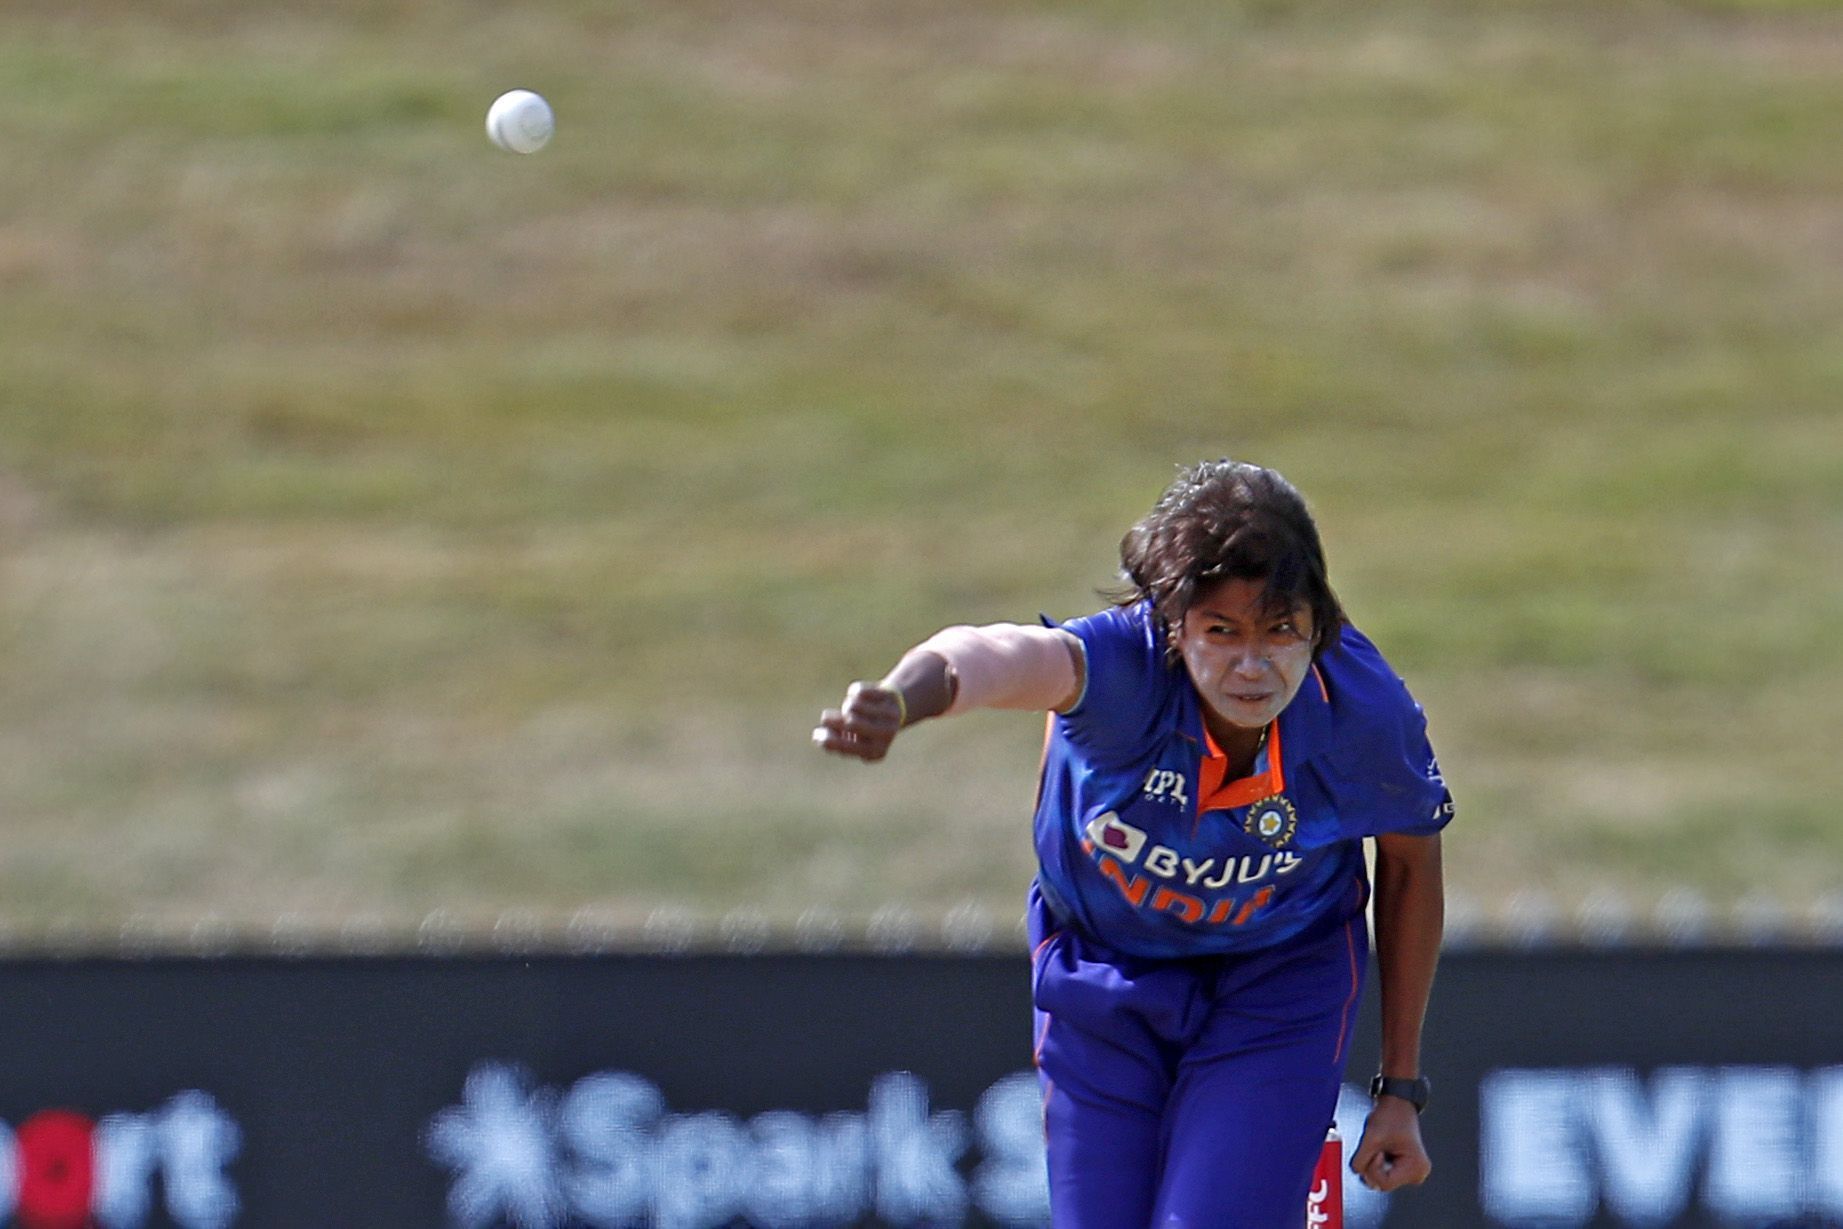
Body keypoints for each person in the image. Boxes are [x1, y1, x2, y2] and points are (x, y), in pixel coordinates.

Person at [814, 459, 1452, 1228]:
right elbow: (989, 654)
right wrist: (900, 699)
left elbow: (1411, 866)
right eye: (1222, 631)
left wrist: (1398, 1087)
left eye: (1281, 630)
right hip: (1101, 975)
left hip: (1279, 984)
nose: (1253, 666)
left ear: (1318, 623)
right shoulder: (1120, 670)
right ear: (1173, 627)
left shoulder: (1363, 712)